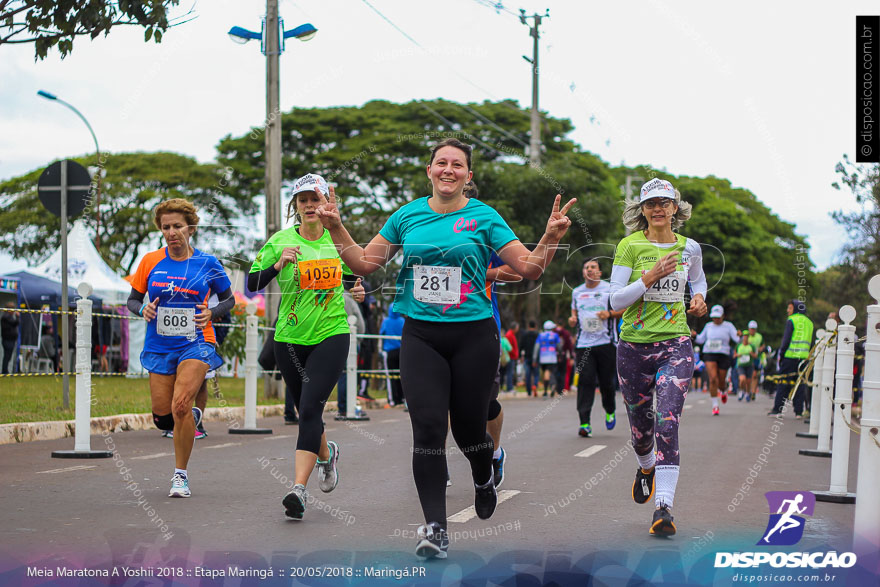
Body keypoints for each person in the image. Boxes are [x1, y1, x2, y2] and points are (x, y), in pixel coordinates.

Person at [315, 137, 576, 559]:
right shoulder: (407, 216)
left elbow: (528, 268)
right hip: (421, 336)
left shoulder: (484, 216)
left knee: (469, 430)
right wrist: (335, 227)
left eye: (457, 165)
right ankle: (435, 527)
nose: (448, 170)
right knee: (429, 428)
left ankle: (482, 475)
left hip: (474, 335)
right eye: (441, 163)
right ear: (430, 170)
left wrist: (548, 235)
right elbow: (363, 263)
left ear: (468, 176)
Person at [248, 173, 365, 520]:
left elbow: (353, 274)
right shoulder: (280, 240)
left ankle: (298, 488)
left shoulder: (336, 240)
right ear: (295, 207)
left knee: (311, 409)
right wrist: (276, 263)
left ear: (328, 203)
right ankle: (327, 456)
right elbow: (253, 283)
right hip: (289, 338)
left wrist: (356, 288)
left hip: (331, 333)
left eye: (316, 199)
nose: (310, 206)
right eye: (303, 200)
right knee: (304, 410)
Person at [609, 178, 707, 536]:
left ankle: (663, 507)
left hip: (676, 344)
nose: (659, 209)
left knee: (667, 421)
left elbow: (698, 281)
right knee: (640, 430)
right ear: (643, 211)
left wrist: (698, 299)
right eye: (652, 204)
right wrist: (650, 276)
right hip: (633, 345)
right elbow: (615, 301)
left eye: (665, 203)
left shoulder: (689, 247)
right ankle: (645, 465)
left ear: (676, 208)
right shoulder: (629, 246)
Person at [127, 198, 234, 498]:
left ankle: (180, 476)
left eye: (177, 226)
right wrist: (142, 310)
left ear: (191, 228)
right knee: (163, 417)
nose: (172, 232)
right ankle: (189, 418)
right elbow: (133, 300)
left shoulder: (208, 263)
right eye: (166, 227)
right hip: (159, 345)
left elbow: (229, 300)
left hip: (197, 342)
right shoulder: (150, 261)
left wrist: (212, 312)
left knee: (180, 406)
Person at [569, 258, 624, 437]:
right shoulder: (577, 292)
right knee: (586, 382)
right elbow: (574, 315)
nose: (590, 270)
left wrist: (609, 313)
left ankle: (610, 410)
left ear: (599, 272)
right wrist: (572, 320)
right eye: (586, 267)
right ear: (583, 272)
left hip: (606, 343)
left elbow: (624, 310)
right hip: (584, 344)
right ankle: (584, 423)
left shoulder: (608, 289)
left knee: (606, 382)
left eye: (593, 267)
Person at [768, 299, 814, 417]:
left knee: (783, 382)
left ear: (796, 309)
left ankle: (778, 410)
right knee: (799, 385)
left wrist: (781, 354)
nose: (787, 310)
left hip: (790, 357)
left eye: (789, 308)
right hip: (804, 359)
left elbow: (786, 340)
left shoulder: (792, 320)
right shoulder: (809, 322)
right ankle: (798, 412)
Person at [693, 305, 739, 415]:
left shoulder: (728, 326)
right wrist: (694, 335)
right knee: (713, 379)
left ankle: (723, 390)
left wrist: (739, 335)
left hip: (723, 354)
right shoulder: (708, 326)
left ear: (723, 316)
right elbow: (700, 339)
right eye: (714, 317)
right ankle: (715, 405)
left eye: (718, 317)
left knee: (721, 382)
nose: (716, 319)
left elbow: (736, 339)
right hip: (709, 353)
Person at [336, 280, 366, 418]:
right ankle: (346, 407)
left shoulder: (333, 297)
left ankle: (343, 406)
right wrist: (359, 338)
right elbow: (358, 321)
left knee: (342, 373)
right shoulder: (348, 300)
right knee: (348, 374)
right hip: (350, 341)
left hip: (335, 338)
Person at [380, 306, 405, 406]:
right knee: (402, 375)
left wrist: (381, 350)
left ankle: (392, 400)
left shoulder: (386, 321)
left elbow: (381, 335)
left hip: (389, 352)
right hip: (401, 351)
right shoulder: (402, 321)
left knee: (390, 377)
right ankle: (402, 398)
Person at [533, 320, 562, 397]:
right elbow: (559, 346)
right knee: (551, 372)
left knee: (546, 372)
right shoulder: (555, 335)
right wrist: (560, 355)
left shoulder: (540, 335)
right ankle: (552, 385)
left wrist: (534, 359)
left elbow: (536, 347)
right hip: (552, 357)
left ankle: (546, 391)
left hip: (543, 358)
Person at [519, 321, 540, 395]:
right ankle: (535, 385)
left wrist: (520, 356)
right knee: (536, 374)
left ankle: (528, 391)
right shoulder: (538, 335)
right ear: (535, 326)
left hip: (527, 356)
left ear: (528, 326)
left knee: (528, 374)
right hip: (536, 358)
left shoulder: (524, 335)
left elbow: (521, 345)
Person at [734, 334, 757, 402]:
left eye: (747, 337)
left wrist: (751, 354)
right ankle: (741, 391)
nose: (745, 338)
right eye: (744, 336)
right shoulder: (739, 345)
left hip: (749, 365)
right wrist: (738, 355)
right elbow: (734, 355)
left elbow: (756, 356)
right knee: (742, 379)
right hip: (741, 365)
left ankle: (747, 393)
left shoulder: (751, 346)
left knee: (748, 381)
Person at [746, 320, 765, 401]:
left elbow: (763, 345)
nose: (752, 330)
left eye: (754, 329)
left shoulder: (759, 336)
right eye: (751, 329)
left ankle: (753, 392)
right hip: (747, 358)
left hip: (756, 358)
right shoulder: (746, 336)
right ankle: (748, 391)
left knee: (754, 375)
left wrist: (760, 349)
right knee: (748, 376)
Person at [2, 302, 19, 375]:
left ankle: (5, 371)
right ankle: (4, 371)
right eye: (13, 309)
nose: (14, 311)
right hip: (8, 340)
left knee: (7, 357)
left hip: (9, 340)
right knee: (7, 357)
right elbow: (15, 323)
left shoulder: (7, 316)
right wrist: (18, 316)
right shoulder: (6, 316)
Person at [503, 322, 520, 392]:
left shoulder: (511, 334)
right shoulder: (509, 335)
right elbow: (509, 348)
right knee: (510, 372)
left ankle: (510, 386)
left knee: (511, 372)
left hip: (512, 357)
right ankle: (509, 387)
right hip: (510, 357)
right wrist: (514, 354)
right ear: (515, 328)